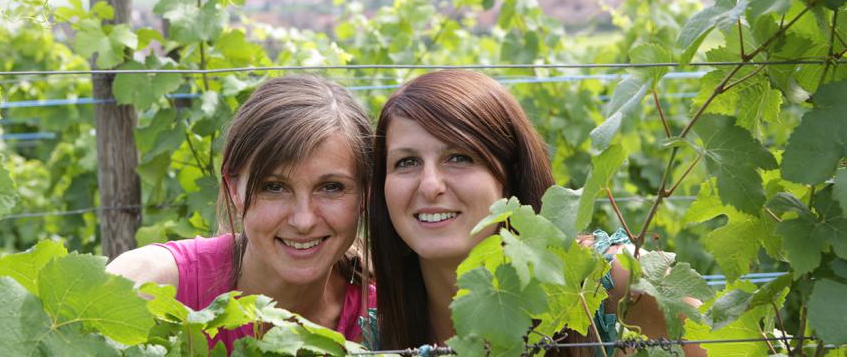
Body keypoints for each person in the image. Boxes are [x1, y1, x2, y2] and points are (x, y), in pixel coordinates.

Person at [366, 70, 702, 356]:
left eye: (459, 157)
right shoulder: (377, 337)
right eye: (406, 162)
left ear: (511, 176)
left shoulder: (618, 288)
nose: (430, 185)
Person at [107, 74, 376, 351]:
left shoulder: (385, 321)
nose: (304, 220)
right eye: (274, 187)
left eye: (331, 187)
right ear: (234, 189)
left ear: (366, 193)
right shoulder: (149, 286)